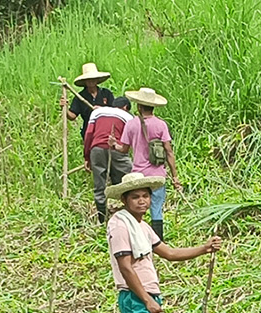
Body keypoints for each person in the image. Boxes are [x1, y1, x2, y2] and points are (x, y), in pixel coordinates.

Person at [105, 172, 219, 313]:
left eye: (145, 196)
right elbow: (125, 267)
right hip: (135, 297)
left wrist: (204, 248)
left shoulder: (143, 227)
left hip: (149, 294)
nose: (141, 201)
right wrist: (146, 300)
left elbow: (169, 253)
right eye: (135, 197)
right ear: (124, 200)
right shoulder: (120, 225)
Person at [113, 87, 178, 240]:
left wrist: (113, 144)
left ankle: (137, 238)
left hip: (139, 175)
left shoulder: (131, 124)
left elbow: (123, 149)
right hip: (158, 175)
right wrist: (175, 176)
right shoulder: (161, 125)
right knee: (156, 209)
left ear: (139, 106)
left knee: (137, 208)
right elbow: (169, 151)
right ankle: (159, 243)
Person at [86, 97, 134, 224]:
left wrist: (87, 156)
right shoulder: (128, 117)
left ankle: (102, 218)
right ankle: (131, 213)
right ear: (125, 107)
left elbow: (89, 134)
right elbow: (128, 141)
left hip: (96, 149)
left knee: (99, 184)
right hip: (116, 149)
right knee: (129, 180)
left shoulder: (97, 112)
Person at [65, 62, 116, 159]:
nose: (91, 82)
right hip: (89, 132)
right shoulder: (80, 97)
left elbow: (115, 111)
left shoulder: (106, 94)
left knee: (109, 157)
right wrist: (65, 108)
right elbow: (72, 116)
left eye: (93, 79)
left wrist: (101, 110)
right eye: (88, 80)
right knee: (94, 158)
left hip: (106, 132)